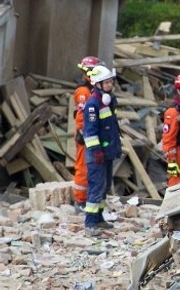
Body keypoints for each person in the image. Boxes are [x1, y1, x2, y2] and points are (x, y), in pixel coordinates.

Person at [82, 65, 121, 237]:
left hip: (107, 153)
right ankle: (90, 223)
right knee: (96, 187)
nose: (110, 84)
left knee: (104, 187)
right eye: (107, 82)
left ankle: (99, 219)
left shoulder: (108, 100)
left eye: (111, 81)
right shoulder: (92, 104)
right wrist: (96, 151)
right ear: (97, 84)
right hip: (97, 155)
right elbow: (90, 132)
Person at [72, 56, 105, 210]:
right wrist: (86, 134)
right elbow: (81, 117)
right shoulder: (83, 91)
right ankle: (79, 200)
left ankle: (87, 199)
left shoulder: (92, 89)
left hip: (90, 135)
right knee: (83, 168)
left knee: (90, 168)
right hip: (85, 136)